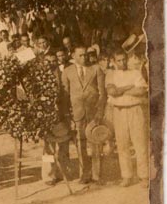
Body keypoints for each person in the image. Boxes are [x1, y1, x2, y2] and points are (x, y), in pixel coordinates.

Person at [61, 46, 107, 184]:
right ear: (73, 56)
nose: (84, 58)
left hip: (93, 113)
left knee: (96, 143)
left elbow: (102, 93)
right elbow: (65, 95)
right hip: (77, 113)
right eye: (80, 55)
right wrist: (68, 115)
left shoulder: (96, 69)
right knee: (80, 144)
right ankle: (84, 174)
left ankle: (97, 175)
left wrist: (99, 112)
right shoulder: (67, 71)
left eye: (86, 55)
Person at [106, 51, 149, 187]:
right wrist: (130, 87)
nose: (122, 63)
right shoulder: (111, 75)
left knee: (140, 143)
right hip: (119, 111)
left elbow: (141, 91)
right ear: (114, 61)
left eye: (124, 60)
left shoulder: (135, 73)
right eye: (119, 60)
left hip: (135, 110)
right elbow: (112, 92)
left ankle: (144, 176)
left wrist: (121, 91)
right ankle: (127, 176)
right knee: (122, 145)